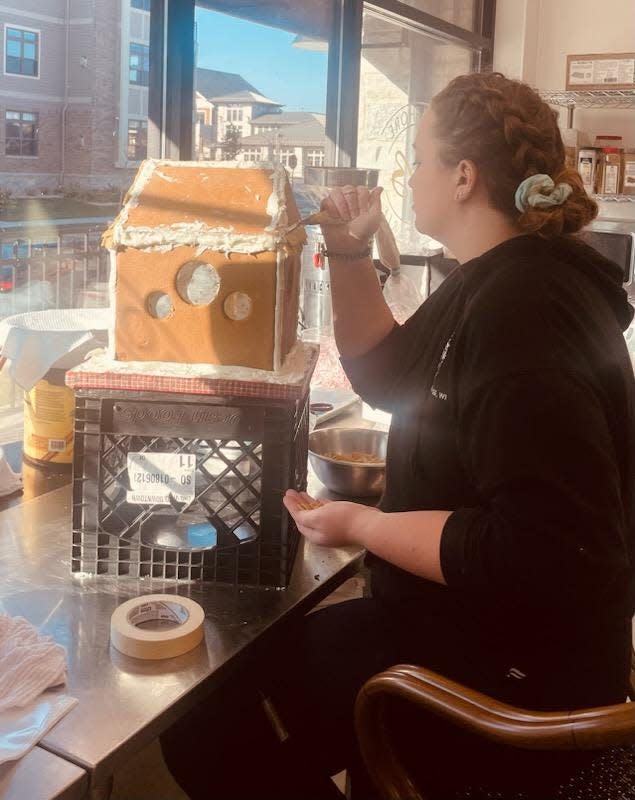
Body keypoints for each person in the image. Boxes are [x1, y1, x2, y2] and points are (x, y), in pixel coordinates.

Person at [161, 72, 635, 799]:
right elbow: (392, 376)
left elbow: (548, 550)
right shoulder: (495, 279)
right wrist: (350, 256)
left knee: (203, 728)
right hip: (472, 631)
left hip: (506, 686)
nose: (410, 177)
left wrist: (363, 523)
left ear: (463, 177)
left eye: (420, 158)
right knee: (223, 704)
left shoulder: (524, 312)